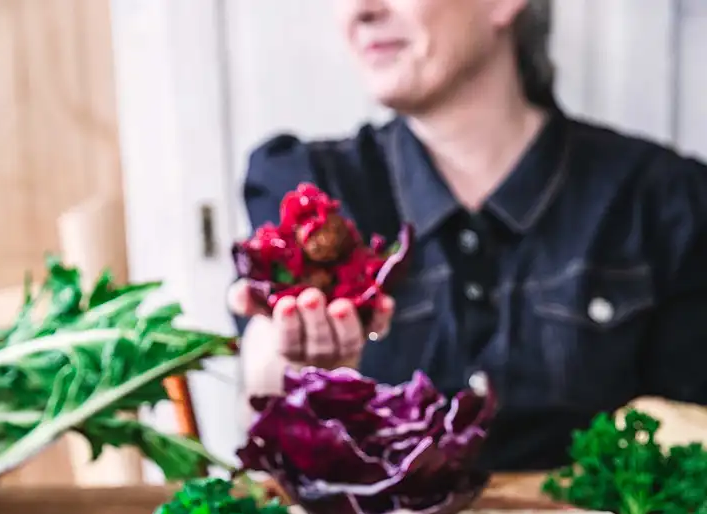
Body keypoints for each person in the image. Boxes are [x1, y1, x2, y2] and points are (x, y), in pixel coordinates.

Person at [228, 0, 707, 472]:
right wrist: (293, 362)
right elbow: (265, 409)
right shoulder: (308, 184)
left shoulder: (665, 201)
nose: (360, 9)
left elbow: (687, 446)